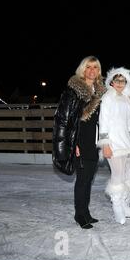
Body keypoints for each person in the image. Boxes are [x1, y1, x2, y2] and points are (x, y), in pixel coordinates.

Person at [53, 56, 106, 229]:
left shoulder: (99, 90)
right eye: (88, 67)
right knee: (82, 180)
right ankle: (79, 214)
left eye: (95, 67)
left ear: (98, 71)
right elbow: (64, 120)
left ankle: (86, 212)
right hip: (79, 140)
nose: (91, 70)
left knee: (89, 178)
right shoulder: (73, 90)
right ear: (82, 69)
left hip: (93, 140)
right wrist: (72, 143)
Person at [98, 67, 130, 225]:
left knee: (127, 175)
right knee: (117, 175)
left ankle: (124, 203)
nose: (120, 83)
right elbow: (103, 122)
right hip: (113, 144)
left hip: (126, 143)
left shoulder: (126, 99)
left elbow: (128, 122)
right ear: (112, 82)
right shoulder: (108, 97)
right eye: (117, 80)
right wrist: (105, 144)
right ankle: (117, 206)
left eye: (123, 81)